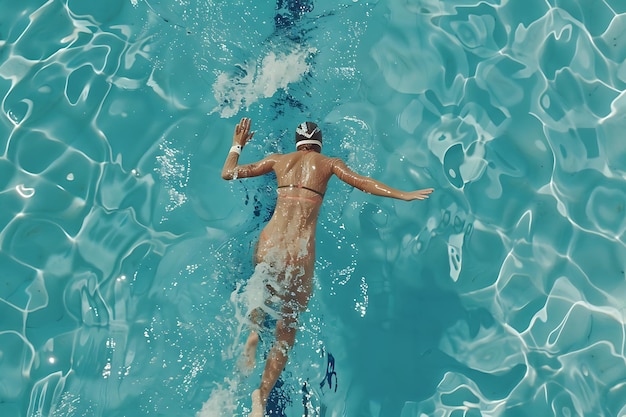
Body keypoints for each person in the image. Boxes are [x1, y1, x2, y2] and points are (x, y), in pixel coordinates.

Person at [221, 117, 434, 416]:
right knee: (287, 329)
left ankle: (253, 334)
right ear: (319, 143)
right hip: (298, 252)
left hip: (269, 244)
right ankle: (262, 393)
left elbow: (228, 173)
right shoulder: (328, 163)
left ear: (297, 144)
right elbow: (363, 183)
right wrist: (403, 194)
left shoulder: (278, 160)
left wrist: (237, 145)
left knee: (263, 285)